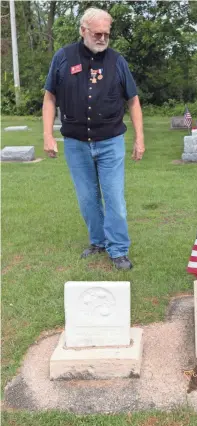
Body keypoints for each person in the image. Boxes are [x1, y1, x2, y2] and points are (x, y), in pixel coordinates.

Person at [42, 8, 145, 270]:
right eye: (97, 33)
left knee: (115, 199)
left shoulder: (117, 61)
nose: (102, 38)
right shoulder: (63, 57)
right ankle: (98, 241)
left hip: (110, 142)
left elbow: (133, 101)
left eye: (106, 34)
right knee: (88, 199)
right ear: (83, 31)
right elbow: (50, 97)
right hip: (76, 144)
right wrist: (47, 135)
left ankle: (119, 249)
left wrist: (139, 138)